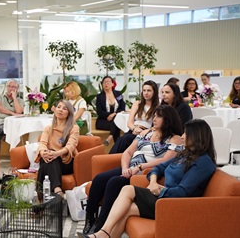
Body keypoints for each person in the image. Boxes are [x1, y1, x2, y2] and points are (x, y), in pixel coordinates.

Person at [78, 119, 216, 238]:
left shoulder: (203, 162)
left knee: (127, 189)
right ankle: (105, 234)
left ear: (197, 136)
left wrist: (159, 191)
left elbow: (183, 192)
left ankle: (103, 232)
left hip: (175, 204)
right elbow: (159, 168)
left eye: (186, 133)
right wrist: (154, 182)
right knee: (127, 209)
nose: (183, 136)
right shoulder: (185, 154)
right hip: (165, 197)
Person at [82, 105, 183, 235]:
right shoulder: (146, 133)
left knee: (114, 182)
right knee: (99, 179)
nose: (154, 119)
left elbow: (165, 161)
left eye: (159, 116)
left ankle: (101, 225)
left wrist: (140, 167)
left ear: (168, 119)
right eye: (154, 116)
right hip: (130, 168)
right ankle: (90, 219)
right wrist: (125, 168)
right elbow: (128, 152)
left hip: (144, 173)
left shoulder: (175, 138)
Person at [35, 100, 79, 198]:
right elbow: (42, 143)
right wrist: (42, 152)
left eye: (64, 108)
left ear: (69, 113)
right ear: (55, 110)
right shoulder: (48, 128)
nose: (60, 110)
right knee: (48, 159)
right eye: (59, 107)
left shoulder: (74, 128)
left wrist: (57, 153)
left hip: (65, 162)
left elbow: (70, 146)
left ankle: (39, 199)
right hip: (50, 159)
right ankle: (58, 191)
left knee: (48, 162)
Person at [109, 80, 159, 154]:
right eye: (144, 90)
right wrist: (134, 128)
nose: (146, 93)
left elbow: (157, 125)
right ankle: (109, 160)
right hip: (134, 129)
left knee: (125, 139)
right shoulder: (137, 104)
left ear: (154, 92)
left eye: (149, 90)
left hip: (147, 132)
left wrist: (144, 131)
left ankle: (108, 160)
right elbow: (129, 122)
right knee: (122, 139)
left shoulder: (158, 106)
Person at [96, 76, 125, 146]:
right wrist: (108, 115)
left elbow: (122, 108)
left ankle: (111, 137)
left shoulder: (118, 94)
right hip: (103, 121)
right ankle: (118, 149)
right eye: (104, 82)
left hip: (116, 119)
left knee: (115, 123)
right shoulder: (99, 96)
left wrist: (114, 114)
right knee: (116, 125)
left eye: (108, 82)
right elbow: (99, 111)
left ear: (112, 84)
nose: (106, 84)